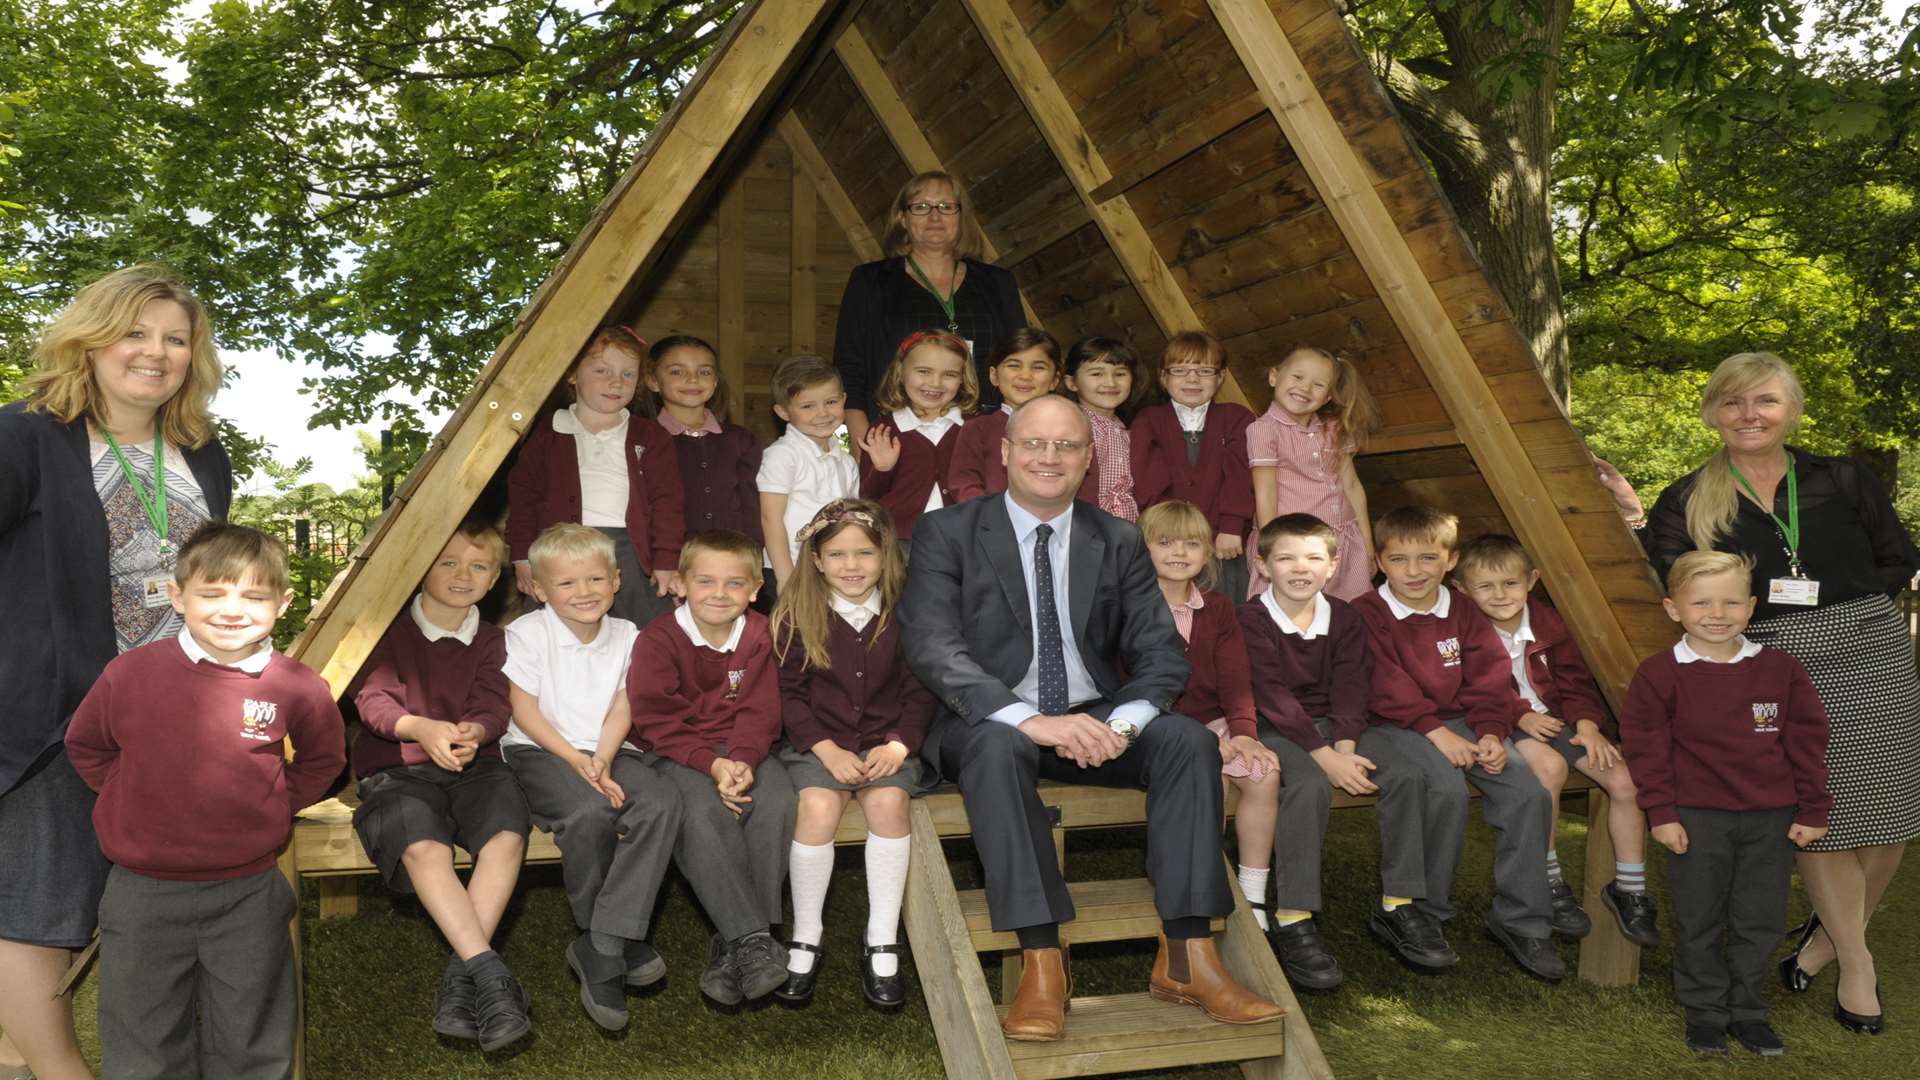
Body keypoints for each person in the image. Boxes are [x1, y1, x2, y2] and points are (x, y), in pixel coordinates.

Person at [902, 394, 1284, 1042]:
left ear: (1088, 459)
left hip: (1094, 715)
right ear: (1005, 452)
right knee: (999, 751)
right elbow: (934, 647)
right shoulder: (948, 533)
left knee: (1187, 742)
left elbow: (1162, 655)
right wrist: (1028, 719)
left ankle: (1190, 957)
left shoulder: (1117, 539)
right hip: (988, 721)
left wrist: (1125, 724)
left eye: (1066, 446)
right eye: (1034, 443)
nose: (1048, 458)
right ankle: (1043, 961)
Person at [0, 265, 233, 1080]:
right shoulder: (28, 434)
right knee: (39, 907)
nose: (155, 353)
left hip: (171, 717)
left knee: (112, 900)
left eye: (175, 338)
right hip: (53, 718)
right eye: (136, 332)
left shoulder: (203, 453)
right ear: (93, 339)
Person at [1644, 351, 1920, 1031]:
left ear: (1791, 410)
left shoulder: (1843, 478)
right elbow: (1673, 578)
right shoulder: (1685, 499)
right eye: (1733, 403)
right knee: (1814, 812)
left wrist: (1851, 612)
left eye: (1764, 401)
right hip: (1772, 662)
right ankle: (1857, 963)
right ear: (1712, 413)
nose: (1749, 415)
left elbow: (1898, 556)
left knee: (1887, 820)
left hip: (1872, 652)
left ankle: (1825, 937)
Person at [65, 524, 347, 1080]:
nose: (231, 610)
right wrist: (132, 798)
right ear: (178, 596)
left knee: (251, 1027)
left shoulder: (296, 685)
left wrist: (271, 804)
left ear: (283, 603)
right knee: (142, 1030)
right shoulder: (129, 674)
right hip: (142, 892)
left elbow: (323, 760)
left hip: (248, 891)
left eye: (253, 595)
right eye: (212, 593)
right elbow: (87, 746)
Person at [1620, 551, 1831, 1056]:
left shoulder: (1781, 670)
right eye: (1702, 603)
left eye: (1731, 602)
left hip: (1770, 820)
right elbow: (1646, 749)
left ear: (1752, 606)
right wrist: (1662, 813)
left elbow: (1808, 741)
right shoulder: (1659, 674)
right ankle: (1706, 1014)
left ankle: (1748, 1013)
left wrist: (1813, 809)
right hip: (1695, 820)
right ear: (1673, 609)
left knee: (1758, 919)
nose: (1717, 613)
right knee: (1699, 920)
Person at [1351, 506, 1563, 982]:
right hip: (1393, 726)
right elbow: (1384, 685)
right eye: (1400, 559)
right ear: (1380, 561)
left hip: (1464, 723)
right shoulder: (1367, 612)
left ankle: (1523, 921)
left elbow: (1490, 678)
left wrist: (1491, 732)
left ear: (1451, 560)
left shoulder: (1462, 608)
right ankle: (1424, 914)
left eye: (1428, 558)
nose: (1414, 571)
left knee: (1526, 793)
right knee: (1443, 789)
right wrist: (1437, 732)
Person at [346, 517, 532, 1050]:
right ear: (421, 568)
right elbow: (375, 700)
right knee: (423, 845)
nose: (461, 574)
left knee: (505, 836)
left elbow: (493, 702)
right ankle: (493, 979)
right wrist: (419, 727)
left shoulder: (494, 639)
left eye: (478, 565)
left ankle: (461, 979)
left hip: (476, 765)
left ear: (495, 578)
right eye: (447, 562)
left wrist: (475, 731)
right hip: (398, 767)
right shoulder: (385, 629)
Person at [500, 524, 680, 1033]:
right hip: (540, 750)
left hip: (608, 747)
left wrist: (601, 757)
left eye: (595, 579)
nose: (584, 592)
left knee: (661, 803)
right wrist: (578, 763)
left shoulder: (629, 635)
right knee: (588, 811)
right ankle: (616, 938)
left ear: (617, 580)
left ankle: (601, 941)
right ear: (538, 588)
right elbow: (524, 709)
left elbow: (625, 702)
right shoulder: (526, 633)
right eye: (566, 584)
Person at [1454, 535, 1661, 949]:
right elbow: (1469, 686)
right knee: (1550, 770)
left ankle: (1630, 889)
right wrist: (1519, 715)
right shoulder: (1462, 627)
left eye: (1510, 583)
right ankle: (1549, 882)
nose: (1500, 595)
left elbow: (1574, 680)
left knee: (1624, 781)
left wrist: (1587, 724)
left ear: (1532, 580)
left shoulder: (1548, 621)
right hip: (1501, 720)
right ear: (1462, 590)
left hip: (1555, 717)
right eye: (1486, 587)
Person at [771, 500, 932, 1008]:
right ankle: (808, 934)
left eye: (865, 552)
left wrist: (900, 744)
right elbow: (789, 696)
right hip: (818, 744)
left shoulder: (907, 613)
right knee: (817, 808)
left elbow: (921, 690)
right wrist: (826, 750)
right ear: (816, 560)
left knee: (887, 804)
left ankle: (881, 938)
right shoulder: (798, 615)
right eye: (837, 554)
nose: (852, 565)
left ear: (886, 555)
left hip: (889, 744)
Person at [627, 530, 796, 1007]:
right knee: (699, 813)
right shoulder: (658, 639)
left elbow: (761, 710)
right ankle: (753, 937)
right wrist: (713, 764)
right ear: (680, 584)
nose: (719, 594)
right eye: (705, 581)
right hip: (677, 752)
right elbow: (656, 719)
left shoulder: (761, 634)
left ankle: (740, 944)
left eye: (734, 583)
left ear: (755, 589)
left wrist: (741, 760)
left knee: (776, 800)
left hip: (745, 748)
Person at [1236, 513, 1384, 992]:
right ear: (1263, 564)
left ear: (1334, 565)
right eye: (1286, 558)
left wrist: (1344, 747)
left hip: (1330, 732)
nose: (1300, 568)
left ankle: (1407, 907)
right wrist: (1326, 758)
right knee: (1308, 783)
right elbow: (1271, 695)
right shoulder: (1252, 619)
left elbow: (1351, 685)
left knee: (1402, 771)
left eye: (1314, 557)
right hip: (1272, 726)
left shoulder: (1345, 617)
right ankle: (1295, 917)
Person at [1137, 502, 1281, 932]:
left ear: (1207, 554)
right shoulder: (1131, 606)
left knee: (1262, 773)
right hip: (1156, 722)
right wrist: (1197, 738)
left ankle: (1252, 892)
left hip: (1213, 721)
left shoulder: (1218, 609)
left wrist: (1245, 734)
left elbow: (1236, 680)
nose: (1178, 552)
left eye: (1192, 543)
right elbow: (1133, 684)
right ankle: (1204, 883)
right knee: (1207, 773)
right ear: (1142, 550)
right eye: (1164, 542)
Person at [507, 324, 686, 626]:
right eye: (602, 371)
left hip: (630, 551)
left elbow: (667, 502)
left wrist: (667, 560)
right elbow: (524, 498)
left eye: (628, 374)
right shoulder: (548, 431)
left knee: (647, 636)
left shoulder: (651, 435)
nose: (616, 382)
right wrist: (523, 557)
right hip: (558, 552)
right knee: (549, 634)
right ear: (572, 374)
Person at [832, 170, 1025, 446]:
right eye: (921, 207)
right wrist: (859, 446)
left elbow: (1019, 361)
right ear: (902, 218)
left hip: (985, 440)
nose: (935, 216)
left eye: (946, 207)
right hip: (893, 441)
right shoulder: (870, 280)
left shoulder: (998, 282)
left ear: (961, 218)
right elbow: (848, 369)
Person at [1131, 331, 1256, 603]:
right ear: (1164, 377)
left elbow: (1240, 477)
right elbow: (1147, 480)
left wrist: (1232, 527)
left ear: (1220, 377)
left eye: (1204, 371)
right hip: (1168, 544)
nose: (1192, 379)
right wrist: (1168, 536)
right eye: (1180, 370)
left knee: (1222, 611)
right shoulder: (1149, 419)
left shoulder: (1237, 418)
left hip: (1223, 544)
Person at [1247, 346, 1379, 602]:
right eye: (1297, 378)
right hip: (1295, 546)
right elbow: (1265, 491)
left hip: (1344, 543)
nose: (1305, 389)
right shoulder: (1263, 430)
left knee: (1350, 615)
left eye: (1318, 385)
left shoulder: (1334, 429)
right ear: (1274, 376)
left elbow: (1351, 485)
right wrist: (1272, 547)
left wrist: (1368, 545)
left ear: (1328, 396)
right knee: (1292, 616)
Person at [641, 334, 766, 576]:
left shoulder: (741, 440)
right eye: (677, 371)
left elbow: (751, 505)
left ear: (716, 381)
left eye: (705, 372)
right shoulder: (643, 441)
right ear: (653, 381)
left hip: (734, 564)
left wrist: (753, 555)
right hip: (672, 569)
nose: (693, 379)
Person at [857, 331, 976, 554]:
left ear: (963, 379)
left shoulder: (973, 429)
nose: (935, 383)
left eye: (949, 374)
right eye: (923, 371)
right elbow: (866, 499)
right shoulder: (883, 431)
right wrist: (883, 469)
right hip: (898, 544)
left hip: (960, 541)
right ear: (901, 372)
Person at [946, 328, 1096, 505]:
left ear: (1055, 380)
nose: (1025, 376)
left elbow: (1085, 486)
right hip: (991, 526)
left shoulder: (1072, 427)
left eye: (1038, 367)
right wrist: (993, 517)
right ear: (994, 375)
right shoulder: (977, 428)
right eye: (1014, 365)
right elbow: (964, 483)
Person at [758, 354, 858, 591]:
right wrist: (785, 577)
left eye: (831, 402)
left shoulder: (847, 461)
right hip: (789, 568)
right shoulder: (782, 454)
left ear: (844, 400)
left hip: (832, 570)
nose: (822, 413)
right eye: (807, 406)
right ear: (783, 412)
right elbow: (770, 518)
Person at [1063, 336, 1140, 521]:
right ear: (1071, 382)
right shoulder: (1072, 426)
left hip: (1129, 529)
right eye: (1097, 374)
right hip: (1087, 524)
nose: (1111, 383)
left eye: (1120, 374)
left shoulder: (1127, 430)